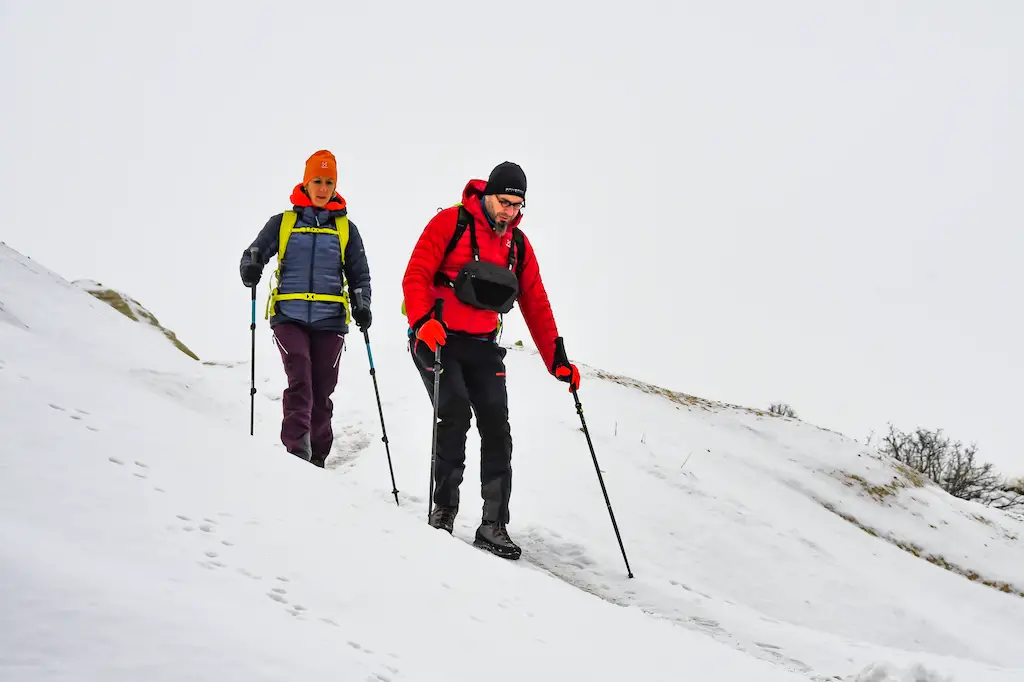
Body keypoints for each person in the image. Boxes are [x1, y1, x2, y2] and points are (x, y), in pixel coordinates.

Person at [401, 161, 580, 559]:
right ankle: (443, 511)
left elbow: (535, 301)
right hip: (437, 337)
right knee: (454, 412)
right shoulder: (450, 223)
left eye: (517, 205)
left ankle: (493, 524)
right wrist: (423, 320)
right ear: (488, 195)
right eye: (504, 202)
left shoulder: (518, 245)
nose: (509, 212)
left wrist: (557, 360)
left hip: (482, 344)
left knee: (497, 426)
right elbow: (415, 275)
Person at [239, 149, 372, 468]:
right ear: (306, 182)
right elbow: (254, 253)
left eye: (329, 182)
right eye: (317, 181)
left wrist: (362, 305)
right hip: (289, 314)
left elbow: (359, 272)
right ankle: (297, 451)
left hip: (331, 318)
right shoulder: (283, 223)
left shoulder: (345, 229)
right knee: (300, 375)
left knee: (323, 387)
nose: (323, 188)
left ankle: (318, 457)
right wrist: (251, 267)